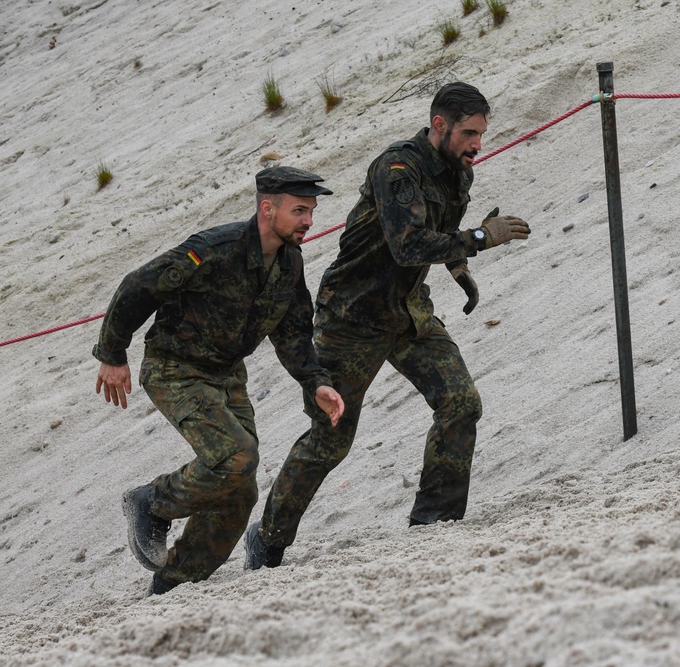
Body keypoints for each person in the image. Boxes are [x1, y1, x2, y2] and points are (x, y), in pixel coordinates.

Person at [244, 82, 530, 570]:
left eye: (482, 134)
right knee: (331, 437)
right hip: (353, 315)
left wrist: (460, 265)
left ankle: (434, 525)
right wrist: (481, 238)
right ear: (439, 126)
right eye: (469, 133)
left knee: (460, 402)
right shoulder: (397, 168)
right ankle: (267, 539)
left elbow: (439, 238)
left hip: (408, 309)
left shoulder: (458, 173)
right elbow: (408, 245)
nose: (477, 144)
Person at [93, 166, 345, 595]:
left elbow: (293, 331)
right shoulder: (214, 248)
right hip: (176, 367)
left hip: (227, 374)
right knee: (236, 457)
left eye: (311, 211)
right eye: (300, 210)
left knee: (239, 492)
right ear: (268, 209)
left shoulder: (289, 262)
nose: (309, 220)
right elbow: (139, 285)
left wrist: (315, 381)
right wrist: (113, 354)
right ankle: (150, 502)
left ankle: (171, 586)